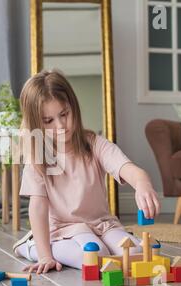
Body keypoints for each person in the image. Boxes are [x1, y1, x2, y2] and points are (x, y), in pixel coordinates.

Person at [13, 69, 160, 274]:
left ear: (74, 107)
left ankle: (51, 246)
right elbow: (37, 208)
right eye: (49, 121)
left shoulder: (95, 144)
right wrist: (46, 256)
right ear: (37, 123)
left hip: (103, 225)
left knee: (134, 252)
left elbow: (129, 169)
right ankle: (33, 247)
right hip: (64, 230)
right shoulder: (38, 157)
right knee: (94, 256)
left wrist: (142, 185)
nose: (61, 125)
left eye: (64, 114)